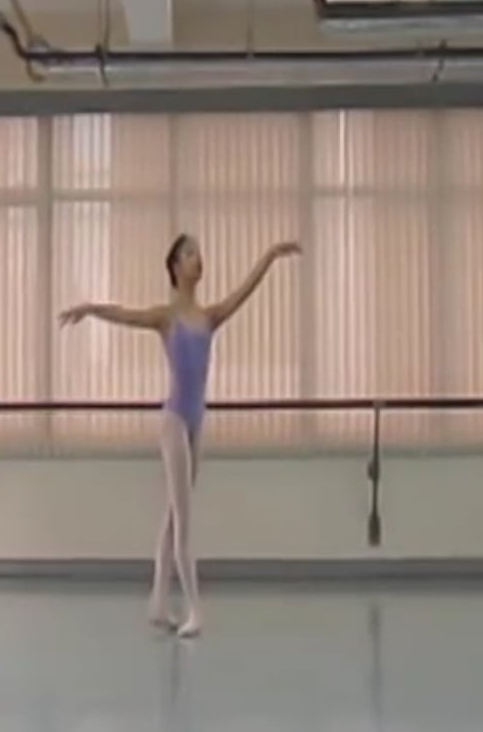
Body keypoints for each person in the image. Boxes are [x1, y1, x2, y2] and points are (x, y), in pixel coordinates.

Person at [59, 234, 303, 637]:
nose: (198, 259)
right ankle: (195, 609)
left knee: (174, 516)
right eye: (190, 254)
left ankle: (158, 603)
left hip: (196, 423)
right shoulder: (167, 317)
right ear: (175, 266)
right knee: (184, 522)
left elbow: (245, 290)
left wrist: (271, 256)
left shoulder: (209, 317)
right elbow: (125, 314)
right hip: (174, 422)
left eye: (199, 253)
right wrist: (89, 309)